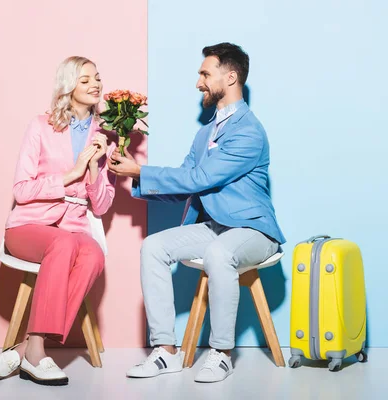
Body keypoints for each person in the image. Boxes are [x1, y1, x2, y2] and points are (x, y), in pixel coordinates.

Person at [108, 43, 286, 383]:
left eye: (205, 74)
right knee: (154, 247)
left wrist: (140, 172)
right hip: (214, 227)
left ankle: (221, 353)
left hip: (253, 231)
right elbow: (188, 184)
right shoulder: (205, 133)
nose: (199, 83)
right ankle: (165, 351)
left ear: (230, 76)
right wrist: (136, 179)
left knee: (220, 253)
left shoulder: (249, 131)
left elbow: (201, 178)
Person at [0, 56, 116, 386]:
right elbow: (21, 188)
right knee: (62, 243)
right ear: (68, 85)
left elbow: (100, 206)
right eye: (86, 79)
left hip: (75, 227)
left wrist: (92, 169)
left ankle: (26, 349)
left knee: (93, 255)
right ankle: (34, 353)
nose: (95, 85)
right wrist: (69, 174)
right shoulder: (41, 125)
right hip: (28, 226)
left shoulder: (105, 136)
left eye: (97, 78)